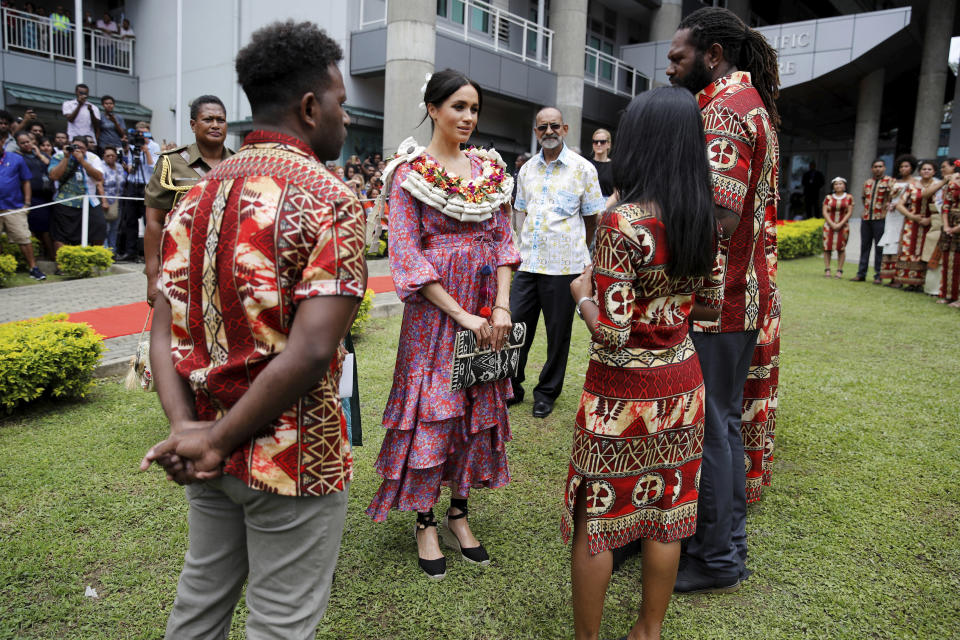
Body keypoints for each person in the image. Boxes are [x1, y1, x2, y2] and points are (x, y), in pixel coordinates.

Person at [138, 20, 365, 639]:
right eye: (342, 105)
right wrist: (212, 441)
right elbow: (314, 349)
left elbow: (162, 329)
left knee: (199, 605)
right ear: (311, 106)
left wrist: (192, 430)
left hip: (208, 437)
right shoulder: (332, 199)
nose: (345, 120)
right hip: (293, 455)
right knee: (281, 625)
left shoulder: (196, 195)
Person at [563, 86, 721, 640]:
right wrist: (670, 303)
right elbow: (711, 303)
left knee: (598, 517)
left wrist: (581, 293)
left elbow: (611, 333)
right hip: (683, 385)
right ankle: (648, 630)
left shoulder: (622, 224)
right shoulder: (702, 219)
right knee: (667, 512)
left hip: (622, 392)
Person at [365, 69, 520, 581]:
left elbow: (503, 243)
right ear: (433, 109)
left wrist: (498, 308)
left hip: (485, 309)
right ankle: (424, 520)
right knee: (433, 411)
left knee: (475, 407)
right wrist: (461, 315)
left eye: (474, 108)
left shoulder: (490, 171)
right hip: (436, 317)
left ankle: (459, 512)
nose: (469, 117)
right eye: (458, 106)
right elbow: (407, 256)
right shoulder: (408, 174)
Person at [666, 5, 780, 593]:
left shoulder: (725, 114)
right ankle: (725, 546)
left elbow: (721, 214)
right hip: (741, 295)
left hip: (718, 299)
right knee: (725, 425)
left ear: (712, 56)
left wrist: (649, 225)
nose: (669, 68)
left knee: (711, 428)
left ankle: (713, 559)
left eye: (678, 58)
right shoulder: (744, 103)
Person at [510, 107, 604, 418]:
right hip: (528, 264)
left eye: (554, 126)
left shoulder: (584, 169)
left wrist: (581, 251)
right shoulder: (526, 170)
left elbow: (592, 218)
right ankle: (512, 386)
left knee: (557, 334)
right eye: (542, 128)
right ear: (535, 132)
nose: (548, 132)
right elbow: (520, 210)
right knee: (515, 328)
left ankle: (546, 393)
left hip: (564, 268)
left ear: (564, 128)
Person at [142, 94, 233, 304]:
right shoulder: (171, 164)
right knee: (180, 333)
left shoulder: (240, 164)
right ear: (193, 125)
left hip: (227, 270)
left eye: (220, 120)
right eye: (208, 119)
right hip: (180, 269)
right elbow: (154, 223)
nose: (215, 125)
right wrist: (152, 278)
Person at [47, 136, 105, 252]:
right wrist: (66, 158)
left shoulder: (93, 158)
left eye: (81, 148)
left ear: (87, 149)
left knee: (99, 227)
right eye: (75, 147)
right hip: (65, 201)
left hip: (89, 201)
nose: (78, 150)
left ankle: (95, 260)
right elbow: (54, 176)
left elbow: (99, 177)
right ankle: (61, 266)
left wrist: (82, 161)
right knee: (61, 234)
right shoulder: (59, 156)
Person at [0, 137, 45, 280]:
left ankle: (33, 268)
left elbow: (26, 180)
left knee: (24, 238)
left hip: (14, 206)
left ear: (2, 142)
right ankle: (2, 270)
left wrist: (26, 203)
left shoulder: (16, 159)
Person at [115, 124, 156, 261]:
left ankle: (148, 253)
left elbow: (154, 167)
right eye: (138, 132)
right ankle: (130, 251)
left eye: (143, 133)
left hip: (147, 185)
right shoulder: (133, 147)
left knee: (148, 221)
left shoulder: (154, 146)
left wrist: (146, 152)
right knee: (130, 220)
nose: (140, 136)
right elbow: (132, 168)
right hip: (133, 185)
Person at [14, 131, 55, 260]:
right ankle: (37, 256)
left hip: (44, 197)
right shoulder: (16, 156)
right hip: (26, 197)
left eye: (28, 142)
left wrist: (38, 154)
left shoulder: (40, 154)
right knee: (30, 229)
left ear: (33, 142)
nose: (26, 144)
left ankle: (52, 256)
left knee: (45, 229)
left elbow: (50, 165)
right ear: (18, 144)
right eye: (22, 143)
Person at [853, 159, 895, 283]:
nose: (878, 169)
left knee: (879, 248)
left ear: (884, 168)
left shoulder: (890, 182)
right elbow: (863, 198)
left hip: (880, 219)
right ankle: (861, 273)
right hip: (866, 218)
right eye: (875, 167)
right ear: (872, 168)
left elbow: (892, 198)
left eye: (880, 166)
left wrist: (884, 212)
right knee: (864, 246)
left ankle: (878, 275)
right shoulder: (867, 182)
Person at [895, 159, 934, 291]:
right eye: (924, 169)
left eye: (929, 169)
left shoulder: (938, 186)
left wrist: (930, 219)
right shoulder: (911, 186)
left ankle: (924, 283)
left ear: (934, 171)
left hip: (930, 225)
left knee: (925, 251)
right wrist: (912, 216)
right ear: (919, 171)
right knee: (908, 251)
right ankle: (910, 281)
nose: (926, 171)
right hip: (911, 224)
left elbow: (941, 206)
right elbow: (900, 205)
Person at [878, 154, 916, 287]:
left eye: (906, 166)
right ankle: (890, 276)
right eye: (901, 166)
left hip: (903, 214)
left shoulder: (915, 183)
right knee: (889, 243)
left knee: (900, 243)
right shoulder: (894, 182)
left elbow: (915, 200)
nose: (903, 169)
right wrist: (888, 205)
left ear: (912, 167)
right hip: (891, 214)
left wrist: (901, 205)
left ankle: (899, 277)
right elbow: (889, 197)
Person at [938, 161, 960, 307]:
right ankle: (948, 294)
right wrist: (947, 225)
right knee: (948, 260)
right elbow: (946, 206)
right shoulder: (952, 182)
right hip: (950, 224)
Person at [821, 177, 853, 278]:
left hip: (843, 226)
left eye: (840, 184)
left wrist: (840, 224)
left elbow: (849, 212)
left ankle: (839, 270)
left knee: (841, 248)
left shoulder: (849, 197)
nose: (838, 186)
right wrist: (832, 223)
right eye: (836, 184)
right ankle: (827, 269)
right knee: (827, 248)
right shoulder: (828, 198)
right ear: (833, 186)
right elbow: (825, 211)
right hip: (829, 226)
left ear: (844, 186)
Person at [99, 146, 125, 255]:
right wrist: (103, 200)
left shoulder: (119, 167)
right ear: (103, 156)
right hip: (106, 201)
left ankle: (112, 252)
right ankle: (105, 252)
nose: (110, 157)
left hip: (118, 202)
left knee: (115, 228)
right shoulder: (100, 166)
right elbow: (99, 184)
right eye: (107, 155)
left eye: (113, 155)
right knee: (105, 228)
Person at [589, 128, 614, 198]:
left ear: (608, 144)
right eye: (595, 142)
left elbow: (617, 193)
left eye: (602, 142)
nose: (598, 144)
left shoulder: (615, 167)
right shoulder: (587, 165)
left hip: (609, 205)